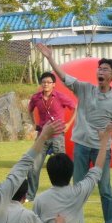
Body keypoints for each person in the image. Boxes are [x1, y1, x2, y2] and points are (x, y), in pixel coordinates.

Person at [36, 43, 112, 223]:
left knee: (104, 188)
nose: (100, 71)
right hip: (81, 146)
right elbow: (63, 77)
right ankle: (73, 222)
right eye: (99, 68)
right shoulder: (85, 89)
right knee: (77, 188)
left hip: (102, 150)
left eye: (105, 69)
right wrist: (49, 58)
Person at [33, 123, 112, 223]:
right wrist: (104, 141)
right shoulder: (78, 192)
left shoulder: (40, 199)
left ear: (49, 173)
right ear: (71, 172)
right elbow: (98, 167)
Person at [26, 72, 76, 200]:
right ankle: (30, 195)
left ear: (54, 84)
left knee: (62, 166)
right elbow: (29, 109)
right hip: (42, 135)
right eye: (43, 82)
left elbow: (75, 107)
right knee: (33, 166)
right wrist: (34, 124)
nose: (45, 84)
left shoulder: (60, 96)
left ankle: (65, 194)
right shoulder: (36, 97)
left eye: (48, 82)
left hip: (57, 135)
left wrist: (69, 124)